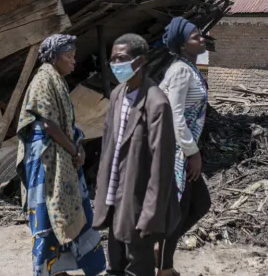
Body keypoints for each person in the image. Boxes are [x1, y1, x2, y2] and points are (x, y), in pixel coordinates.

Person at [17, 34, 106, 276]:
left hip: (61, 156)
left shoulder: (56, 80)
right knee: (48, 214)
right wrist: (73, 149)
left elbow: (64, 124)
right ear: (55, 57)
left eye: (74, 57)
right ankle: (47, 269)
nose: (73, 62)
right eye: (69, 56)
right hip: (46, 162)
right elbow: (48, 124)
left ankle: (58, 269)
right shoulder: (43, 80)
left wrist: (78, 148)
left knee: (68, 212)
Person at [94, 34, 180, 276]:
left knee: (138, 267)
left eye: (121, 59)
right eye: (112, 59)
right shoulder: (117, 95)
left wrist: (150, 216)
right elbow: (108, 147)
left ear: (140, 62)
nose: (115, 65)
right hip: (115, 200)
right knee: (115, 266)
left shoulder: (156, 103)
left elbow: (161, 167)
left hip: (139, 203)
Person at [157, 18, 212, 276]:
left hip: (183, 148)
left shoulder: (190, 67)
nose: (201, 39)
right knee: (180, 210)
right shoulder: (180, 70)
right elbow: (175, 115)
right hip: (178, 151)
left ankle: (160, 252)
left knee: (200, 204)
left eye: (200, 35)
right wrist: (193, 152)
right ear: (182, 45)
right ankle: (164, 268)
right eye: (195, 37)